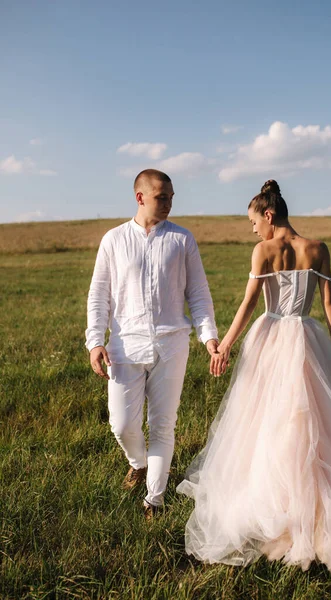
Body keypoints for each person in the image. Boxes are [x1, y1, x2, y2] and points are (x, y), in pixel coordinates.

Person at [177, 180, 331, 571]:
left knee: (267, 417)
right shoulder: (318, 249)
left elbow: (249, 304)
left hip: (272, 336)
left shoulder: (264, 250)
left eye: (253, 221)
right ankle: (313, 492)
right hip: (306, 334)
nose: (252, 229)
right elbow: (330, 302)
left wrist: (226, 344)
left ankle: (278, 502)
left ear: (268, 215)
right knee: (311, 418)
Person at [86, 169, 218, 519]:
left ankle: (154, 500)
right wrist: (95, 341)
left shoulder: (182, 239)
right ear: (140, 197)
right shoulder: (113, 240)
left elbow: (199, 293)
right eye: (162, 197)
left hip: (172, 344)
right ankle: (138, 463)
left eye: (172, 196)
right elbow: (99, 294)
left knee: (163, 424)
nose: (169, 203)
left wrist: (209, 337)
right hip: (124, 346)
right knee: (122, 425)